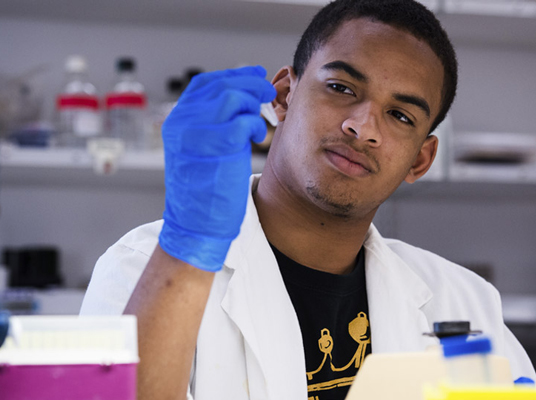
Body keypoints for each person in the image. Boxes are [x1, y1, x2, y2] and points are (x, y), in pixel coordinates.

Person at [80, 0, 536, 399]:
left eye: (399, 115)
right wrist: (189, 242)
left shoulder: (465, 304)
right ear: (282, 97)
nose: (363, 127)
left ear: (421, 159)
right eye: (341, 88)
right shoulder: (141, 270)